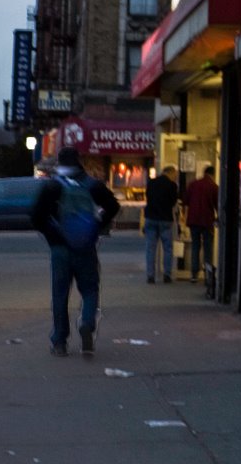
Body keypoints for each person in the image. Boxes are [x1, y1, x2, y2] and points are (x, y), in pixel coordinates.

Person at [31, 147, 121, 356]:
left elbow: (36, 216)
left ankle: (60, 341)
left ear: (59, 163)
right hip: (85, 246)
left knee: (60, 294)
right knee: (90, 289)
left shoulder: (52, 186)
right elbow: (113, 206)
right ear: (78, 162)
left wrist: (53, 235)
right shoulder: (92, 185)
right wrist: (95, 227)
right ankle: (87, 322)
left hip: (60, 249)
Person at [142, 165, 180, 284]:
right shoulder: (172, 185)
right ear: (170, 173)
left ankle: (150, 276)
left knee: (150, 248)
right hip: (165, 219)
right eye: (175, 175)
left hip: (151, 218)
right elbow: (173, 202)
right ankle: (167, 275)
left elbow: (148, 197)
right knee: (168, 248)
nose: (176, 177)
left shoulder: (151, 183)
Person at [184, 165, 218, 282]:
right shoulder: (213, 186)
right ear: (213, 174)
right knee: (208, 248)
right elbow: (217, 205)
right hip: (207, 221)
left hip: (193, 220)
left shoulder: (193, 184)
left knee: (195, 246)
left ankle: (194, 274)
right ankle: (208, 274)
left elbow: (186, 201)